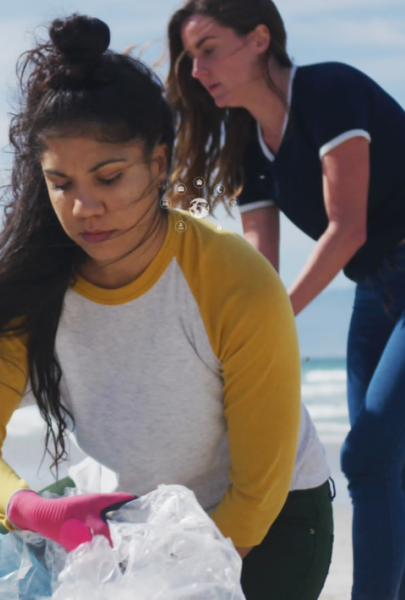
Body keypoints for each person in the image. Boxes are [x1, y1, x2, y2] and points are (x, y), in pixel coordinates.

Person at [0, 14, 333, 600]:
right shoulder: (34, 291)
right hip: (132, 515)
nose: (86, 207)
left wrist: (183, 578)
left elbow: (257, 492)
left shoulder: (234, 281)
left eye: (109, 177)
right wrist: (33, 510)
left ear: (159, 164)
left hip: (271, 522)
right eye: (62, 183)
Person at [166, 1, 405, 597]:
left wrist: (269, 323)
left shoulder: (329, 89)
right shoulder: (248, 144)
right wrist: (219, 336)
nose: (198, 71)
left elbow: (345, 226)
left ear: (260, 39)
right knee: (383, 467)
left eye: (209, 48)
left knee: (368, 458)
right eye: (190, 58)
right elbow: (258, 269)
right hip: (375, 290)